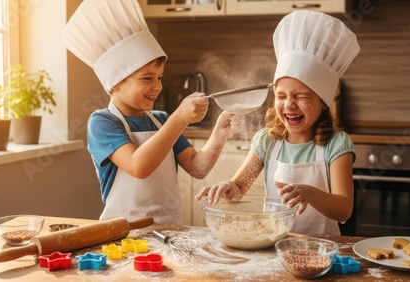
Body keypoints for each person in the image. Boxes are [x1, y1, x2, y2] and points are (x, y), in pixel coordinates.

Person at [63, 0, 242, 224]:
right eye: (147, 78)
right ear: (115, 83)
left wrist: (220, 133)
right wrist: (180, 118)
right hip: (124, 235)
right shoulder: (102, 123)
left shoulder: (161, 120)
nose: (157, 86)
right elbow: (139, 166)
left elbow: (198, 168)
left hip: (170, 231)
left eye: (159, 77)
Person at [195, 10, 360, 235]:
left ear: (323, 102)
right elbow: (240, 187)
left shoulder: (336, 144)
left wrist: (310, 194)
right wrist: (228, 187)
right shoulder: (267, 141)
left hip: (324, 251)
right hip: (277, 246)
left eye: (300, 96)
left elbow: (344, 210)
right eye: (281, 96)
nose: (289, 105)